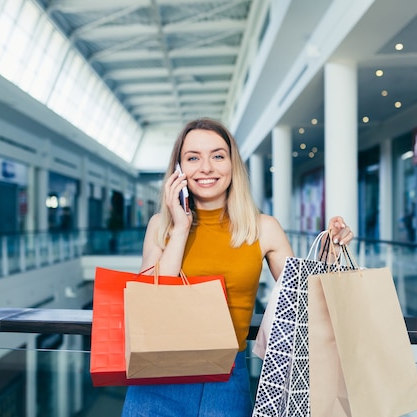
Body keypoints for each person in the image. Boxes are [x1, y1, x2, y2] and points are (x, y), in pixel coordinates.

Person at [122, 118, 353, 417]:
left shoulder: (263, 228)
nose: (206, 167)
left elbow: (304, 301)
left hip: (227, 380)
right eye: (193, 158)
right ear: (178, 170)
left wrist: (330, 251)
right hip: (155, 377)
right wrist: (180, 228)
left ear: (233, 165)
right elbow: (150, 303)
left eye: (218, 156)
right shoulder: (160, 225)